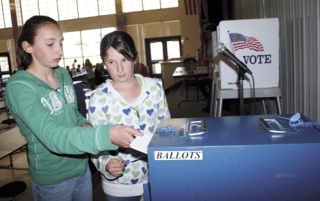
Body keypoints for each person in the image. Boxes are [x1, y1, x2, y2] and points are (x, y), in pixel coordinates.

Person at [5, 15, 143, 201]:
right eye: (50, 44)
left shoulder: (62, 74)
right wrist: (105, 135)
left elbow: (74, 115)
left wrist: (85, 124)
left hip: (81, 168)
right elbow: (52, 135)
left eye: (61, 43)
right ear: (28, 46)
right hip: (53, 179)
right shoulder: (19, 86)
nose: (59, 50)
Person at [88, 31, 171, 201]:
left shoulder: (154, 88)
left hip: (156, 178)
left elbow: (167, 129)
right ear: (104, 63)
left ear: (134, 58)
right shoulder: (99, 97)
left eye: (124, 60)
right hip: (119, 187)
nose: (119, 69)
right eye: (111, 62)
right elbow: (94, 142)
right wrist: (105, 164)